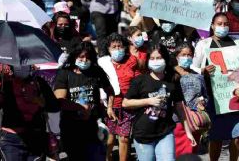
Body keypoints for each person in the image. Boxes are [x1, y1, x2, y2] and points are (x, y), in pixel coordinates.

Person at [122, 44, 196, 161]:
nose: (155, 61)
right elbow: (125, 103)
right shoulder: (140, 81)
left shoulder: (172, 80)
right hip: (143, 134)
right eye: (152, 58)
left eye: (159, 58)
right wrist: (148, 101)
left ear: (165, 60)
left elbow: (179, 108)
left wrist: (188, 131)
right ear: (148, 61)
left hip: (165, 132)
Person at [0, 64, 60, 161]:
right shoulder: (6, 85)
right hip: (11, 141)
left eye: (25, 64)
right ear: (12, 67)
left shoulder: (39, 83)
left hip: (35, 139)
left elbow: (55, 107)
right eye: (18, 64)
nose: (22, 67)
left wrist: (37, 100)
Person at [192, 13, 239, 161]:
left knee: (238, 134)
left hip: (234, 96)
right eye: (219, 24)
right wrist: (203, 70)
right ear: (212, 25)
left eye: (226, 24)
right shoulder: (204, 44)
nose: (223, 27)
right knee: (216, 137)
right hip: (214, 98)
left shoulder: (237, 44)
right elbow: (193, 68)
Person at [54, 42, 114, 160]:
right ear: (74, 56)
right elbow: (59, 100)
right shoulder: (65, 73)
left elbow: (110, 91)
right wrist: (80, 107)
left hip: (93, 127)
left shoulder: (96, 71)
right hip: (71, 129)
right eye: (81, 57)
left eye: (88, 57)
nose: (85, 60)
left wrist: (110, 107)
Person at [98, 33, 139, 161]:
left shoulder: (132, 61)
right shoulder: (103, 64)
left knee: (124, 138)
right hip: (110, 106)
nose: (117, 50)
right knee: (110, 137)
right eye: (113, 47)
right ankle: (107, 157)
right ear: (108, 49)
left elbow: (138, 80)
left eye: (119, 46)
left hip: (127, 105)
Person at [172, 43, 208, 157]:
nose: (187, 57)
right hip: (178, 122)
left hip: (195, 122)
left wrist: (203, 102)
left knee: (192, 154)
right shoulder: (171, 75)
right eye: (183, 55)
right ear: (177, 56)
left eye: (189, 55)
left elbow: (205, 95)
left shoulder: (198, 75)